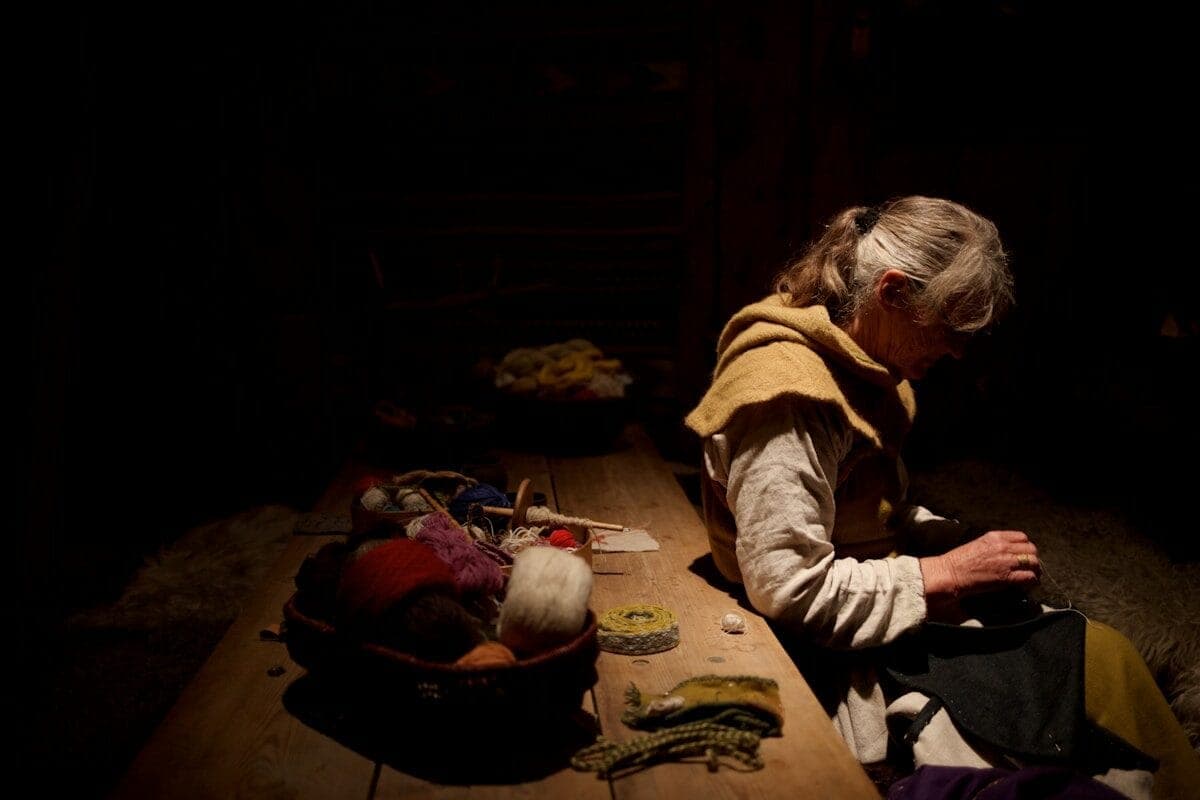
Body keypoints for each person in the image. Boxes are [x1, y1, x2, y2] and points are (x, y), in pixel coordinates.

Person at [685, 196, 1199, 799]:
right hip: (821, 645)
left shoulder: (864, 365)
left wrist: (943, 537)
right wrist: (941, 574)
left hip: (870, 598)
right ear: (893, 292)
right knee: (1083, 674)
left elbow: (866, 510)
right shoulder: (787, 396)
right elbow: (786, 587)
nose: (957, 352)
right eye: (948, 327)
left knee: (1100, 654)